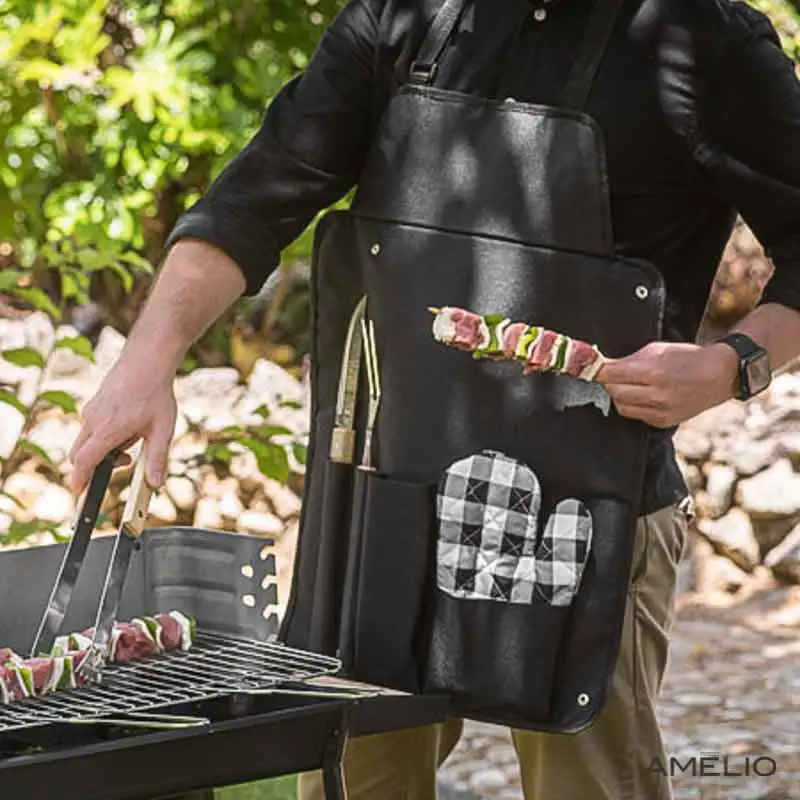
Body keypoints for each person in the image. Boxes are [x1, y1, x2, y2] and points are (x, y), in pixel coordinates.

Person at [69, 1, 800, 798]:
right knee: (357, 783)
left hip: (587, 516)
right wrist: (145, 364)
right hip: (388, 506)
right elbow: (259, 194)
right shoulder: (403, 15)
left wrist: (732, 366)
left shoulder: (702, 40)